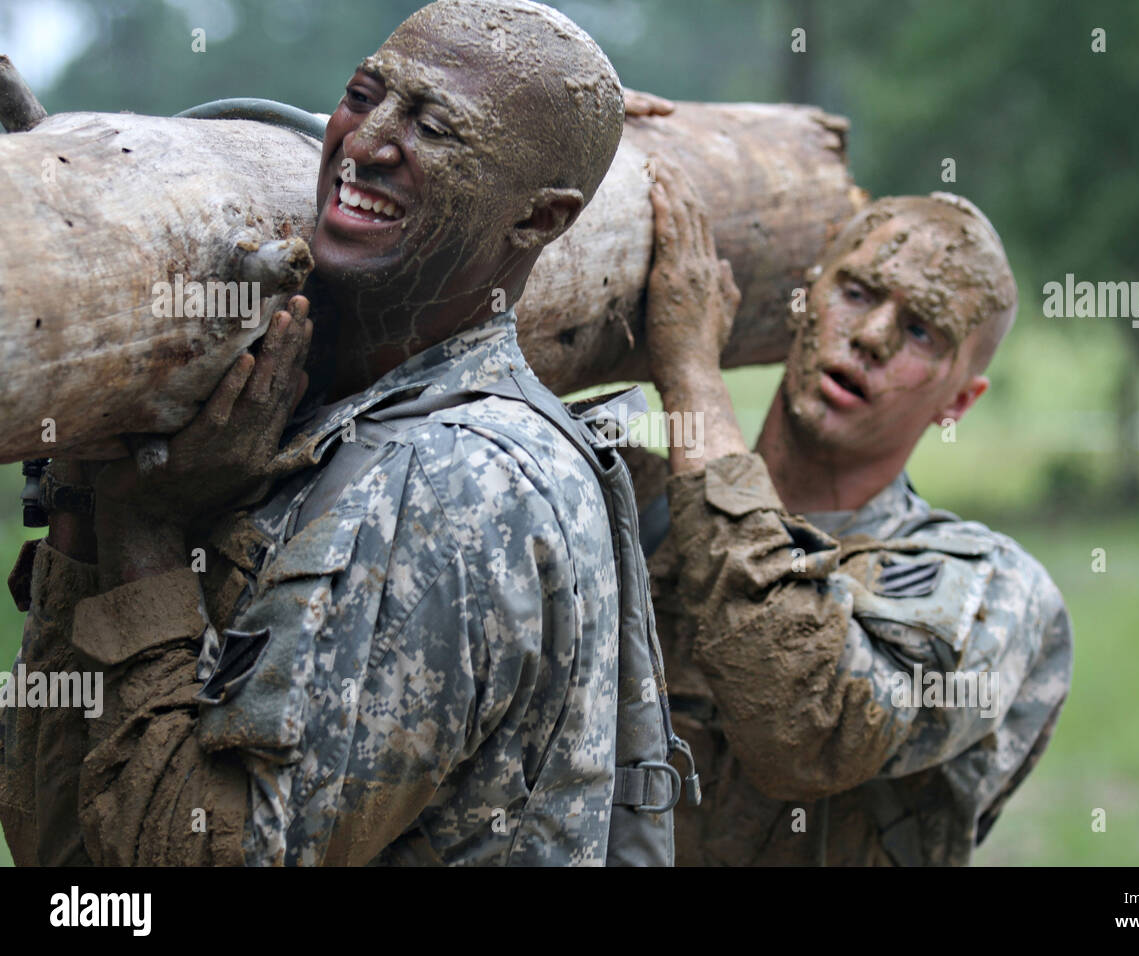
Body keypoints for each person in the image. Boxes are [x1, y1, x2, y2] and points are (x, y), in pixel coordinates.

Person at [0, 0, 640, 866]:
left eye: (435, 127)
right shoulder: (297, 414)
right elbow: (60, 851)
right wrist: (91, 481)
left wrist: (148, 534)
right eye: (363, 94)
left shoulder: (462, 486)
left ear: (537, 220)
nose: (366, 144)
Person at [632, 159, 1073, 866]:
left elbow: (807, 724)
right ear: (804, 302)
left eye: (923, 330)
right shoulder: (630, 500)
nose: (871, 336)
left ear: (959, 401)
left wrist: (690, 374)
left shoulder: (992, 593)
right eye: (858, 292)